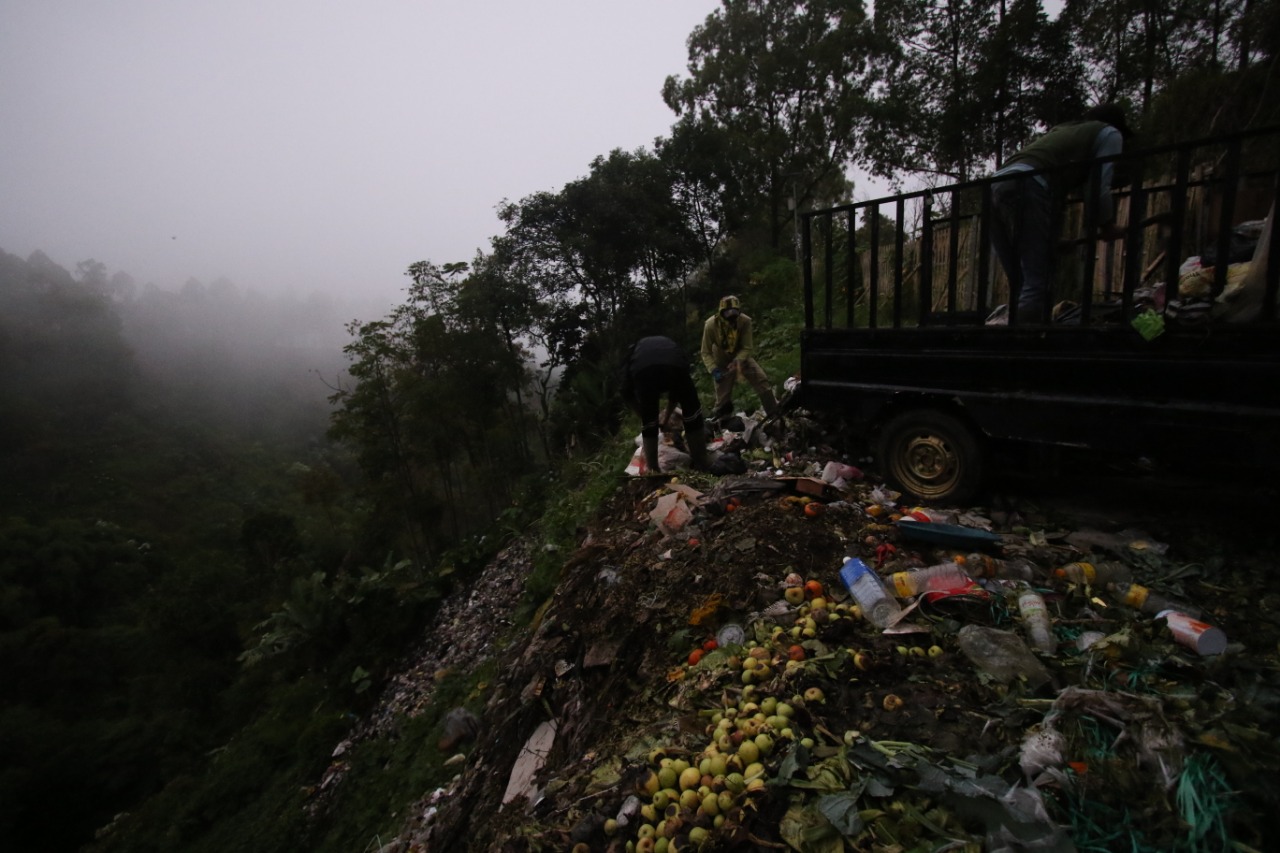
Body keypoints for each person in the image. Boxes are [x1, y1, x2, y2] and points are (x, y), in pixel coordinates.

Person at [988, 103, 1133, 324]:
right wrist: (1107, 225)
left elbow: (1053, 201)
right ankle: (1026, 335)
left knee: (1021, 279)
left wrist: (1052, 239)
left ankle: (1015, 326)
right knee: (1038, 281)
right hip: (1027, 183)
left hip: (995, 186)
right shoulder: (1109, 133)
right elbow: (1097, 187)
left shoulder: (1064, 133)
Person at [620, 335, 710, 474]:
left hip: (645, 371)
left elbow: (626, 393)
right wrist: (662, 420)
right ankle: (702, 462)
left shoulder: (632, 356)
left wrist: (648, 418)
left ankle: (653, 470)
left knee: (649, 422)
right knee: (692, 412)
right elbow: (677, 392)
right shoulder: (666, 346)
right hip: (676, 366)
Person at [700, 295, 779, 419]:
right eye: (728, 314)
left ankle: (774, 414)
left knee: (762, 380)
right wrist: (714, 369)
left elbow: (747, 346)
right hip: (721, 362)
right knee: (722, 400)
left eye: (734, 313)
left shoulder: (745, 321)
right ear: (721, 313)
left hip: (742, 357)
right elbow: (705, 352)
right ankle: (722, 423)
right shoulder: (711, 325)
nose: (732, 317)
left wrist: (737, 361)